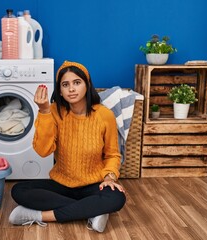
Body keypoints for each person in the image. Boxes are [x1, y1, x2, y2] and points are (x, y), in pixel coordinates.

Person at [9, 60, 126, 233]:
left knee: (117, 198)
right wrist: (43, 111)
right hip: (61, 185)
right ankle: (93, 211)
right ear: (60, 91)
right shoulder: (53, 111)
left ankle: (39, 216)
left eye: (77, 83)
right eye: (65, 85)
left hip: (93, 185)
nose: (71, 89)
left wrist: (109, 177)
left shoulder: (104, 115)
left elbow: (112, 155)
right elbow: (43, 150)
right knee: (19, 190)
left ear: (87, 85)